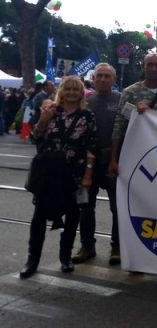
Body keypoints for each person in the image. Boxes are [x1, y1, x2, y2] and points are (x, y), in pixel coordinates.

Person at [20, 76, 97, 279]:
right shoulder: (50, 111)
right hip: (48, 173)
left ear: (81, 92)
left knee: (72, 217)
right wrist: (43, 121)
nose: (71, 92)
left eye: (76, 89)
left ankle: (65, 257)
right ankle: (32, 260)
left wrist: (88, 175)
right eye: (68, 88)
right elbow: (33, 138)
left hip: (73, 173)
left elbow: (91, 147)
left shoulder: (87, 116)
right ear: (62, 90)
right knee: (38, 218)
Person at [72, 64, 122, 266]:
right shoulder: (85, 101)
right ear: (93, 79)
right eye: (99, 76)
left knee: (117, 207)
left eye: (106, 76)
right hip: (87, 163)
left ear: (113, 80)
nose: (102, 79)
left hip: (113, 161)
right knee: (85, 206)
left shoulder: (121, 100)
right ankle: (87, 246)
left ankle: (117, 246)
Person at [110, 53, 157, 177]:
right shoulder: (129, 92)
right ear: (143, 66)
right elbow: (118, 126)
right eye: (150, 64)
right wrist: (113, 159)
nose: (154, 68)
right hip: (135, 152)